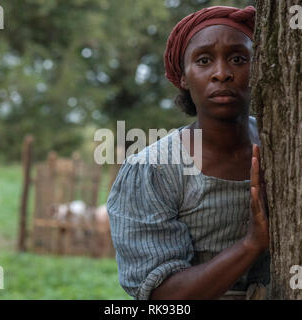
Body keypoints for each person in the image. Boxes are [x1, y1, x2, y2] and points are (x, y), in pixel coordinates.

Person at [107, 5, 270, 300]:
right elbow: (161, 297)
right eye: (204, 60)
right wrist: (250, 245)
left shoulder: (278, 145)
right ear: (183, 76)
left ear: (257, 68)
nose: (222, 73)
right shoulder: (154, 169)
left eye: (238, 59)